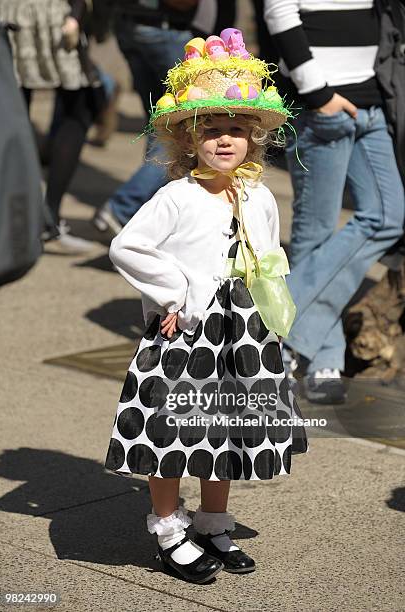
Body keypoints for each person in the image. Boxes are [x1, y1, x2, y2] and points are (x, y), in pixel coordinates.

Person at [104, 31, 308, 584]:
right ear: (188, 140)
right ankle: (169, 527)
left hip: (241, 330)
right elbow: (127, 246)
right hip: (188, 330)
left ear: (253, 140)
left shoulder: (259, 194)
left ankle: (213, 519)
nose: (224, 141)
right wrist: (172, 292)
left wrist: (271, 316)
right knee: (173, 431)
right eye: (211, 131)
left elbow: (268, 256)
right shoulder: (177, 195)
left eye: (236, 132)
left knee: (225, 428)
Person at [264, 0, 405, 404]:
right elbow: (279, 10)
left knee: (388, 217)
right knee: (316, 231)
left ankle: (275, 329)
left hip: (373, 101)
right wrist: (317, 93)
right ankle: (323, 356)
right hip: (319, 107)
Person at [92, 0, 237, 236]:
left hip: (132, 24)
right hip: (167, 27)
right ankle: (122, 209)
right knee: (177, 131)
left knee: (160, 124)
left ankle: (147, 220)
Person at [0, 0, 99, 254]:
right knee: (80, 109)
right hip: (53, 17)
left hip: (7, 14)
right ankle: (47, 219)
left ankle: (27, 221)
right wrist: (77, 13)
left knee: (9, 112)